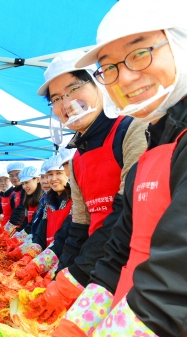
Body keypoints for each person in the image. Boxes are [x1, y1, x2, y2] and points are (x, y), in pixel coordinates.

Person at [39, 3, 187, 337]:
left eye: (140, 52)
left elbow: (177, 283)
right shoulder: (157, 146)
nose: (127, 75)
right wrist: (76, 326)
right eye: (111, 66)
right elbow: (118, 250)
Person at [26, 50, 148, 323]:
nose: (66, 103)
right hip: (97, 266)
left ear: (98, 83)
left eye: (73, 89)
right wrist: (63, 274)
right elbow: (79, 224)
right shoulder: (78, 156)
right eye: (56, 99)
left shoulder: (132, 130)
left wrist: (76, 276)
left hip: (134, 272)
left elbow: (125, 214)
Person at [14, 152, 75, 285]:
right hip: (48, 258)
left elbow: (64, 238)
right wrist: (29, 254)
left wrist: (38, 265)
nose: (52, 179)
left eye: (58, 173)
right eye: (49, 175)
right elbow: (40, 234)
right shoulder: (48, 201)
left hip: (65, 262)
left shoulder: (76, 200)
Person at [0, 162, 26, 235]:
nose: (3, 183)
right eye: (0, 181)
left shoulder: (15, 194)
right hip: (7, 229)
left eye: (5, 180)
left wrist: (8, 230)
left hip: (16, 230)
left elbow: (19, 213)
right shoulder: (2, 195)